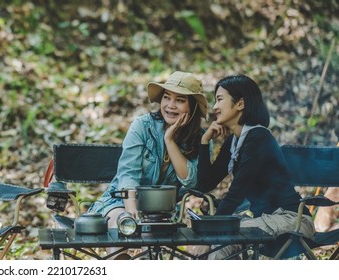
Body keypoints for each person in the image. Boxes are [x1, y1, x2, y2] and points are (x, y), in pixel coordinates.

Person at [87, 71, 207, 258]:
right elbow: (128, 173)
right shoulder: (142, 126)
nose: (170, 105)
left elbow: (190, 181)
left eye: (180, 100)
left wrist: (170, 140)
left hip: (162, 213)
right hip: (121, 202)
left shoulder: (200, 138)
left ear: (192, 107)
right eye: (167, 98)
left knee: (150, 240)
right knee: (121, 226)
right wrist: (132, 210)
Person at [197, 74, 314, 259]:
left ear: (240, 103)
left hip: (292, 219)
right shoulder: (233, 142)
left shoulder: (259, 137)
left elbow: (237, 191)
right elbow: (204, 184)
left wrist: (210, 229)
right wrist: (204, 142)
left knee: (221, 236)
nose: (214, 107)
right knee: (218, 244)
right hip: (264, 220)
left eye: (219, 100)